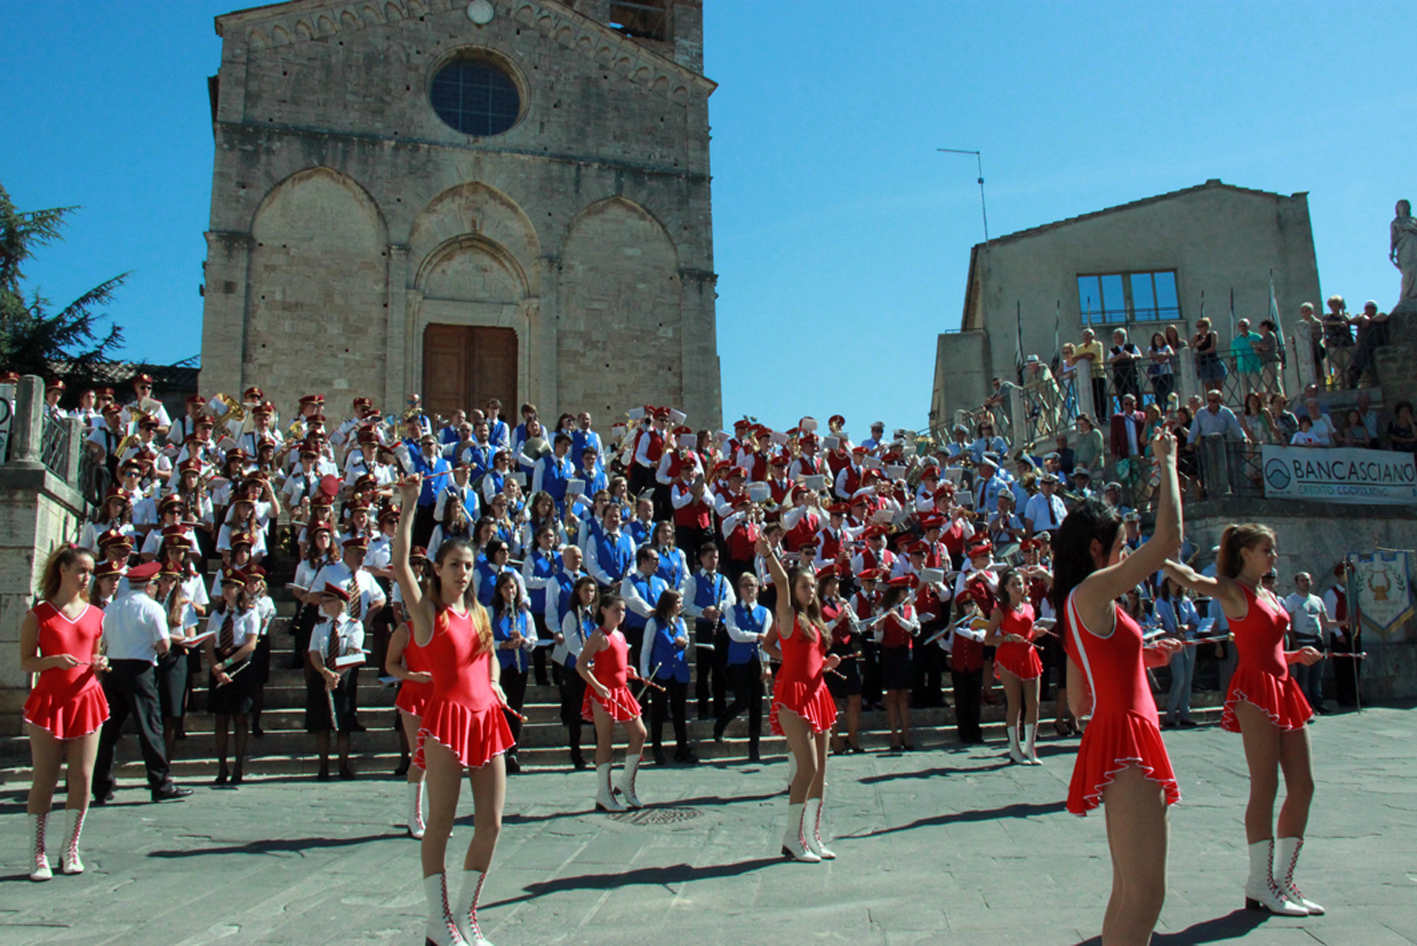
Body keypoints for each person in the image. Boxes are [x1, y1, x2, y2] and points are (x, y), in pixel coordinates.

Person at [1054, 422, 1183, 945]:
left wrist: (1139, 661)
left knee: (1127, 892)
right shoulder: (1092, 591)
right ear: (1095, 547)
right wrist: (1168, 461)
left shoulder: (1077, 604)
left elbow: (1083, 697)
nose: (1128, 557)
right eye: (1122, 547)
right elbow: (1170, 542)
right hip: (1130, 741)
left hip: (1113, 734)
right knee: (1146, 895)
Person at [1162, 524, 1325, 917]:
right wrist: (1159, 553)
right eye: (1267, 549)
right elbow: (1190, 578)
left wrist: (1294, 657)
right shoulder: (1234, 590)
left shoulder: (1266, 591)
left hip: (1283, 685)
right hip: (1256, 690)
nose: (1273, 556)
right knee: (1265, 785)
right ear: (1245, 553)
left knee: (1303, 785)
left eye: (1273, 549)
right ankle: (1259, 883)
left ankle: (1282, 880)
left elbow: (1267, 646)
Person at [393, 473, 514, 946]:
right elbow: (401, 563)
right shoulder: (427, 614)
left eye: (468, 564)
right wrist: (408, 506)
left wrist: (499, 685)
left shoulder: (480, 613)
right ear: (438, 569)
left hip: (487, 718)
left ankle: (466, 914)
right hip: (446, 719)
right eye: (454, 565)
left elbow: (491, 661)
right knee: (440, 823)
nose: (463, 572)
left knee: (492, 822)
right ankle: (436, 921)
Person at [21, 546, 110, 881]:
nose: (86, 577)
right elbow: (26, 661)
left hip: (86, 698)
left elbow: (95, 656)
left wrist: (101, 664)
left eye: (90, 571)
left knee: (83, 776)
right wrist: (54, 661)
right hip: (49, 701)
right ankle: (37, 852)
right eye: (81, 570)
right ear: (63, 569)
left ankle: (70, 847)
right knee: (45, 776)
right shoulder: (39, 615)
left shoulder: (95, 614)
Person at [759, 534, 840, 863]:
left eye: (812, 586)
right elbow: (779, 580)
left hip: (818, 693)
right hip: (794, 695)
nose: (810, 590)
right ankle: (793, 836)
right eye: (804, 586)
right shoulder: (788, 615)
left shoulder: (814, 620)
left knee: (821, 771)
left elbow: (808, 656)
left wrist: (824, 663)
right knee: (805, 767)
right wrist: (768, 554)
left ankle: (813, 836)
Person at [91, 560, 192, 807]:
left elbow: (101, 640)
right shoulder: (153, 608)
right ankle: (160, 783)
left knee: (108, 730)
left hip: (114, 668)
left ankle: (101, 786)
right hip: (140, 669)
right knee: (150, 727)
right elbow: (164, 645)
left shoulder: (111, 608)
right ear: (150, 585)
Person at [577, 592, 648, 812]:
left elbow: (616, 665)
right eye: (617, 609)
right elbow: (581, 665)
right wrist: (598, 686)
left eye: (624, 610)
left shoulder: (621, 635)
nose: (621, 614)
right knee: (605, 741)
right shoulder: (599, 635)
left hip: (621, 692)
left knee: (640, 733)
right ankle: (603, 793)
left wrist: (628, 671)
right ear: (604, 610)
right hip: (603, 694)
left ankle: (626, 784)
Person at [204, 571, 261, 784]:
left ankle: (238, 767)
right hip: (219, 662)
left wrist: (227, 665)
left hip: (240, 664)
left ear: (240, 590)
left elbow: (250, 645)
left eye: (233, 586)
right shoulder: (216, 614)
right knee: (220, 718)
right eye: (225, 586)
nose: (228, 590)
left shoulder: (249, 613)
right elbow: (209, 643)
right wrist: (216, 668)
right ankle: (221, 767)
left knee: (239, 717)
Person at [983, 567, 1043, 764]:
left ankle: (1030, 747)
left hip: (1029, 656)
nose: (1018, 587)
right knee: (1015, 704)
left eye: (1020, 583)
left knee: (1033, 703)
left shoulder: (1029, 608)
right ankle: (1014, 749)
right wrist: (1007, 637)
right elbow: (988, 639)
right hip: (1008, 658)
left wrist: (1037, 634)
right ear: (1006, 588)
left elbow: (1028, 635)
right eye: (1013, 584)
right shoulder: (1000, 611)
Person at [305, 582, 364, 781]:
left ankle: (343, 766)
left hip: (344, 678)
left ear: (339, 604)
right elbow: (314, 652)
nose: (323, 606)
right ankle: (323, 767)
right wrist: (325, 673)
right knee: (322, 724)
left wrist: (336, 674)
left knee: (343, 725)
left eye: (327, 602)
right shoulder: (320, 626)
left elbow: (354, 652)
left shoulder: (354, 625)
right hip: (322, 677)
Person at [386, 618, 433, 839]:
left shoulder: (447, 625)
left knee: (443, 756)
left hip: (442, 696)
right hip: (415, 695)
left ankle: (439, 817)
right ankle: (414, 815)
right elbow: (390, 664)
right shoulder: (405, 629)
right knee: (420, 754)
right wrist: (413, 676)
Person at [640, 589, 696, 765]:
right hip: (661, 671)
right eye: (678, 602)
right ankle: (656, 748)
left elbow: (686, 643)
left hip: (678, 671)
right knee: (658, 711)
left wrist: (684, 644)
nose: (680, 606)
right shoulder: (654, 623)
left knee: (679, 712)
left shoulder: (681, 622)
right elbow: (646, 648)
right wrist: (645, 673)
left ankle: (682, 748)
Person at [490, 572, 537, 773]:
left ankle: (513, 752)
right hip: (499, 667)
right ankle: (498, 750)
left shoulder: (524, 613)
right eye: (506, 588)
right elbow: (484, 640)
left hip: (519, 667)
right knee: (500, 708)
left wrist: (523, 641)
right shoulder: (491, 611)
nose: (511, 591)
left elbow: (533, 640)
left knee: (516, 709)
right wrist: (503, 644)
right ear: (499, 591)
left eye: (513, 587)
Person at [553, 575, 599, 770]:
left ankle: (601, 753)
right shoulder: (572, 615)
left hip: (594, 669)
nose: (589, 595)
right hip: (576, 668)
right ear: (578, 593)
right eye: (585, 591)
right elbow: (573, 643)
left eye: (592, 591)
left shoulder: (595, 615)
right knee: (575, 712)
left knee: (598, 712)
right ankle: (576, 754)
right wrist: (585, 659)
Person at [875, 575, 921, 752]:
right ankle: (894, 737)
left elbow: (915, 630)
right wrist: (879, 628)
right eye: (904, 591)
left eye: (907, 590)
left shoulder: (910, 609)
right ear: (896, 593)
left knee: (904, 695)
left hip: (905, 653)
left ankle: (907, 736)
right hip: (889, 653)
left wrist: (899, 619)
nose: (907, 593)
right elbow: (878, 639)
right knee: (892, 696)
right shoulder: (883, 609)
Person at [1154, 577, 1202, 728]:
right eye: (1172, 582)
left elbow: (1195, 622)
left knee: (1188, 680)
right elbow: (1158, 626)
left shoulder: (1186, 601)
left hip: (1188, 642)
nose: (1175, 584)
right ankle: (1170, 715)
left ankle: (1184, 714)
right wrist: (1172, 634)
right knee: (1179, 678)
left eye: (1177, 582)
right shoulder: (1160, 603)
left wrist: (1186, 628)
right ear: (1167, 584)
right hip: (1173, 644)